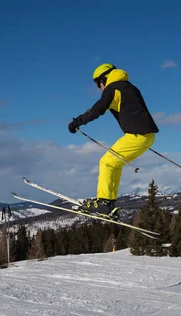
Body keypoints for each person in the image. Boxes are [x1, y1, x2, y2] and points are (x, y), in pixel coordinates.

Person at [68, 63, 159, 217]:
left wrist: (76, 122)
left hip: (137, 136)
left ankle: (104, 203)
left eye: (98, 85)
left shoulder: (113, 88)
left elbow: (97, 110)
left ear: (103, 79)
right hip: (147, 136)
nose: (100, 89)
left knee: (107, 162)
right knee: (115, 164)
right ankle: (108, 203)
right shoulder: (130, 87)